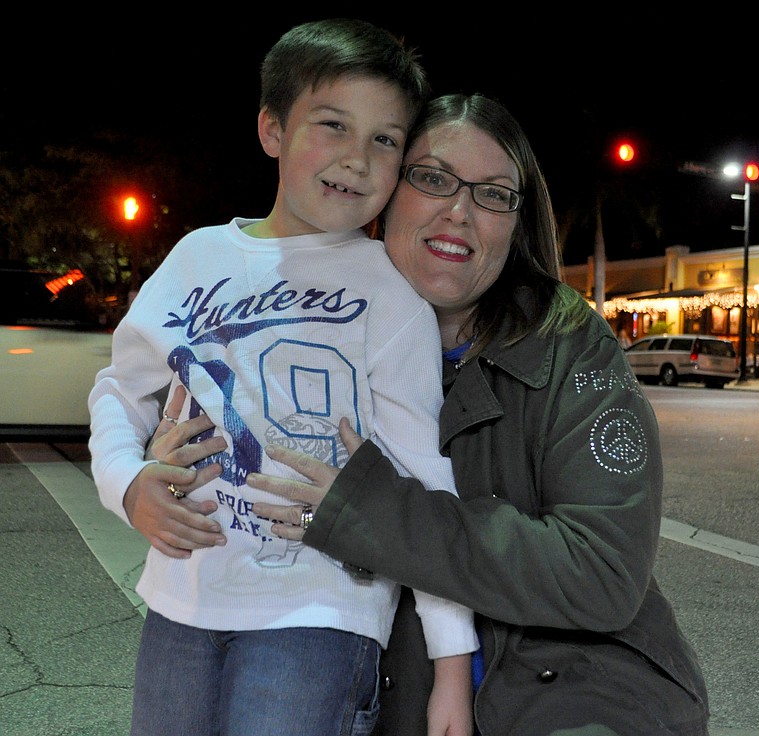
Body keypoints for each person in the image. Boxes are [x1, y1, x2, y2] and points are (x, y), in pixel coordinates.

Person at [239, 92, 712, 735]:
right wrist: (159, 466)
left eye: (493, 194)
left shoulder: (572, 346)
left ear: (517, 222)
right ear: (387, 193)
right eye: (432, 178)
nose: (459, 211)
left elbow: (603, 570)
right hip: (378, 678)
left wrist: (374, 515)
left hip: (578, 680)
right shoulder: (303, 330)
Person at [88, 19, 476, 736]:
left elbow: (424, 479)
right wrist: (128, 483)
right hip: (182, 599)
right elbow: (121, 389)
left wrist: (454, 669)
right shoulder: (198, 257)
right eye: (332, 125)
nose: (357, 160)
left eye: (385, 139)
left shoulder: (390, 293)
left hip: (323, 611)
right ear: (272, 128)